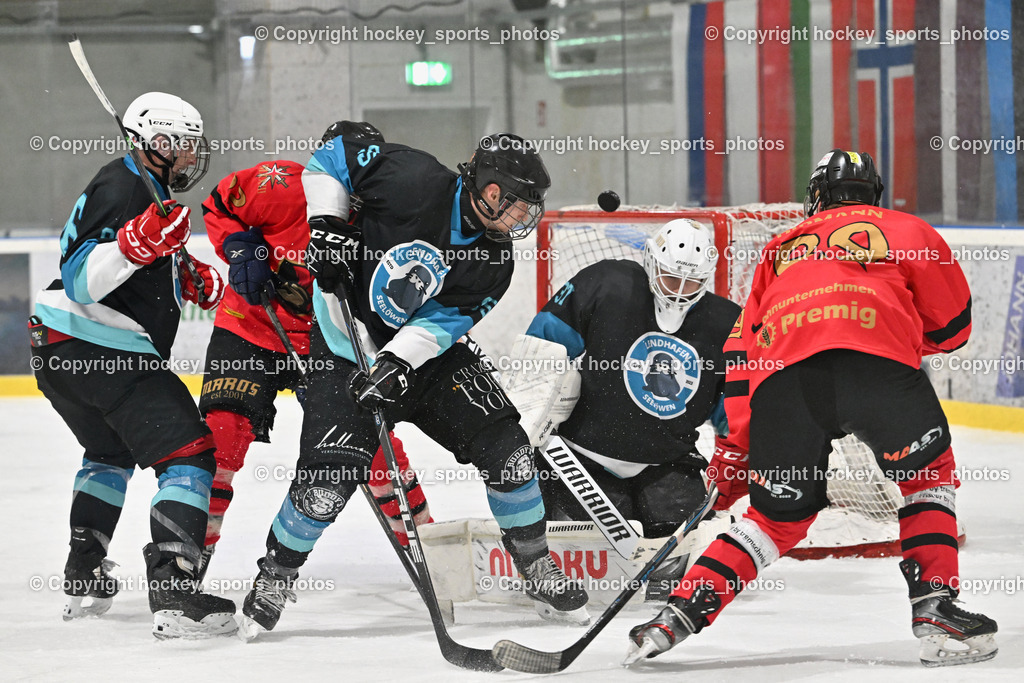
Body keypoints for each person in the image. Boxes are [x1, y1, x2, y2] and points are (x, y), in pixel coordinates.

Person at [626, 150, 998, 667]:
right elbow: (953, 328)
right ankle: (935, 606)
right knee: (927, 476)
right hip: (880, 373)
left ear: (816, 196)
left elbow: (742, 354)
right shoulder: (907, 229)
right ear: (875, 195)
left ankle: (678, 614)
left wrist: (735, 450)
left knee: (774, 518)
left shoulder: (780, 248)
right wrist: (883, 327)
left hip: (786, 385)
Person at [237, 132, 589, 639]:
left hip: (428, 361)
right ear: (489, 189)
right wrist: (328, 227)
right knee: (325, 485)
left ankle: (537, 567)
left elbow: (445, 321)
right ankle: (276, 575)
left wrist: (399, 361)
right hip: (342, 348)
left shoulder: (495, 262)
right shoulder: (412, 179)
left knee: (509, 451)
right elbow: (333, 149)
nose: (518, 219)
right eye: (514, 204)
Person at [29, 92, 235, 638]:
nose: (194, 157)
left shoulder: (141, 187)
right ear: (158, 143)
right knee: (190, 455)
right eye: (186, 146)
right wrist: (135, 247)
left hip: (59, 350)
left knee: (109, 453)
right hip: (101, 350)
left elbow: (127, 261)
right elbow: (80, 276)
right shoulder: (123, 185)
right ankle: (174, 593)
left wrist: (180, 270)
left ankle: (85, 574)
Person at [196, 121, 430, 576]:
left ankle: (431, 555)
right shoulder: (280, 185)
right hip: (251, 326)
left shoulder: (392, 216)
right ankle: (188, 557)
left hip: (330, 342)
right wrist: (243, 249)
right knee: (221, 440)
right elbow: (219, 204)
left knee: (374, 446)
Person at [504, 219, 739, 544]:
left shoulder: (727, 322)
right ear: (651, 263)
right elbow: (541, 348)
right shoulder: (605, 284)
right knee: (589, 552)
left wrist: (749, 447)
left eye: (691, 282)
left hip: (669, 460)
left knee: (677, 560)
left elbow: (736, 409)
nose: (678, 290)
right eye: (671, 277)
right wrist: (525, 422)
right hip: (582, 457)